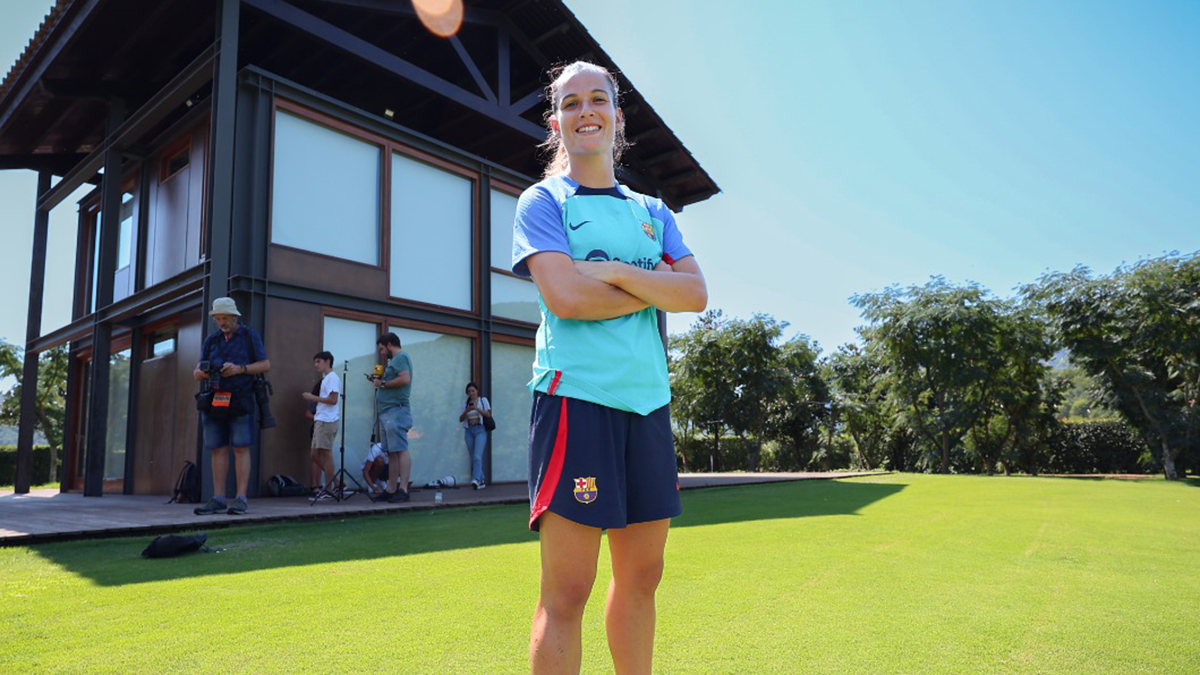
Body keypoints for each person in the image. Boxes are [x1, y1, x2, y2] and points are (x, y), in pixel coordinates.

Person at [513, 61, 707, 674]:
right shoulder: (544, 201)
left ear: (618, 118)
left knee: (643, 579)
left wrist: (618, 273)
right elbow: (566, 298)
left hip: (648, 403)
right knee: (568, 590)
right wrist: (656, 286)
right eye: (572, 104)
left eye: (599, 100)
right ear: (556, 123)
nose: (586, 111)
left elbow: (697, 294)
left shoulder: (653, 210)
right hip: (577, 402)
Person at [192, 297, 272, 516]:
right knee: (217, 448)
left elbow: (265, 364)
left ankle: (241, 498)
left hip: (240, 397)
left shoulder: (249, 336)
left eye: (224, 317)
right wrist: (201, 373)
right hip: (214, 399)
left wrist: (240, 369)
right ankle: (218, 498)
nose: (221, 322)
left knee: (240, 447)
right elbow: (197, 370)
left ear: (235, 317)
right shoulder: (211, 340)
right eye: (218, 318)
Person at [370, 332, 413, 503]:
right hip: (389, 411)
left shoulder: (400, 358)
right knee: (392, 452)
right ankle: (392, 489)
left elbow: (405, 379)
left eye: (382, 349)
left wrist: (383, 384)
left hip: (396, 410)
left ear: (389, 345)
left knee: (400, 449)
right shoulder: (395, 361)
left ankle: (403, 489)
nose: (381, 353)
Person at [303, 351, 341, 499]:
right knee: (315, 454)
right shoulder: (327, 379)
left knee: (325, 453)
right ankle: (335, 483)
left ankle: (329, 488)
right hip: (321, 419)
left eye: (318, 361)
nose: (316, 365)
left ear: (327, 361)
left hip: (327, 420)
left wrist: (313, 397)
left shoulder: (332, 378)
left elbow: (333, 400)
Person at [457, 381, 492, 489]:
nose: (471, 393)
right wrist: (467, 410)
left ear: (477, 391)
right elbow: (460, 419)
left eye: (473, 391)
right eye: (469, 391)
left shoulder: (483, 401)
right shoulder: (465, 403)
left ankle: (476, 479)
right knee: (473, 457)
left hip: (480, 430)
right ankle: (481, 480)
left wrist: (476, 408)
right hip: (469, 431)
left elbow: (488, 414)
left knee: (477, 456)